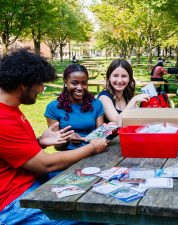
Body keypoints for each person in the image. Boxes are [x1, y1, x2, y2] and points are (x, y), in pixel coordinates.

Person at [0, 49, 107, 224]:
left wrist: (40, 142)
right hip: (13, 202)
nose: (42, 89)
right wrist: (92, 147)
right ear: (23, 84)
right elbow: (46, 164)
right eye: (40, 83)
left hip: (33, 184)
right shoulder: (3, 118)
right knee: (92, 215)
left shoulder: (11, 110)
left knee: (98, 188)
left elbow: (15, 153)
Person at [45, 64, 105, 150]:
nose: (80, 88)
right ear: (65, 82)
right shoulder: (53, 108)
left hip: (93, 151)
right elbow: (57, 146)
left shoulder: (96, 104)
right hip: (69, 156)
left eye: (84, 83)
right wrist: (68, 139)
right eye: (74, 83)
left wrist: (109, 130)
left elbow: (101, 135)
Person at [97, 59, 149, 126]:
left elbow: (138, 118)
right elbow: (119, 123)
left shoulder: (127, 95)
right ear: (109, 77)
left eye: (124, 76)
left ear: (129, 78)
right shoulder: (104, 97)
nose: (119, 80)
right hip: (111, 136)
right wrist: (133, 100)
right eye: (115, 76)